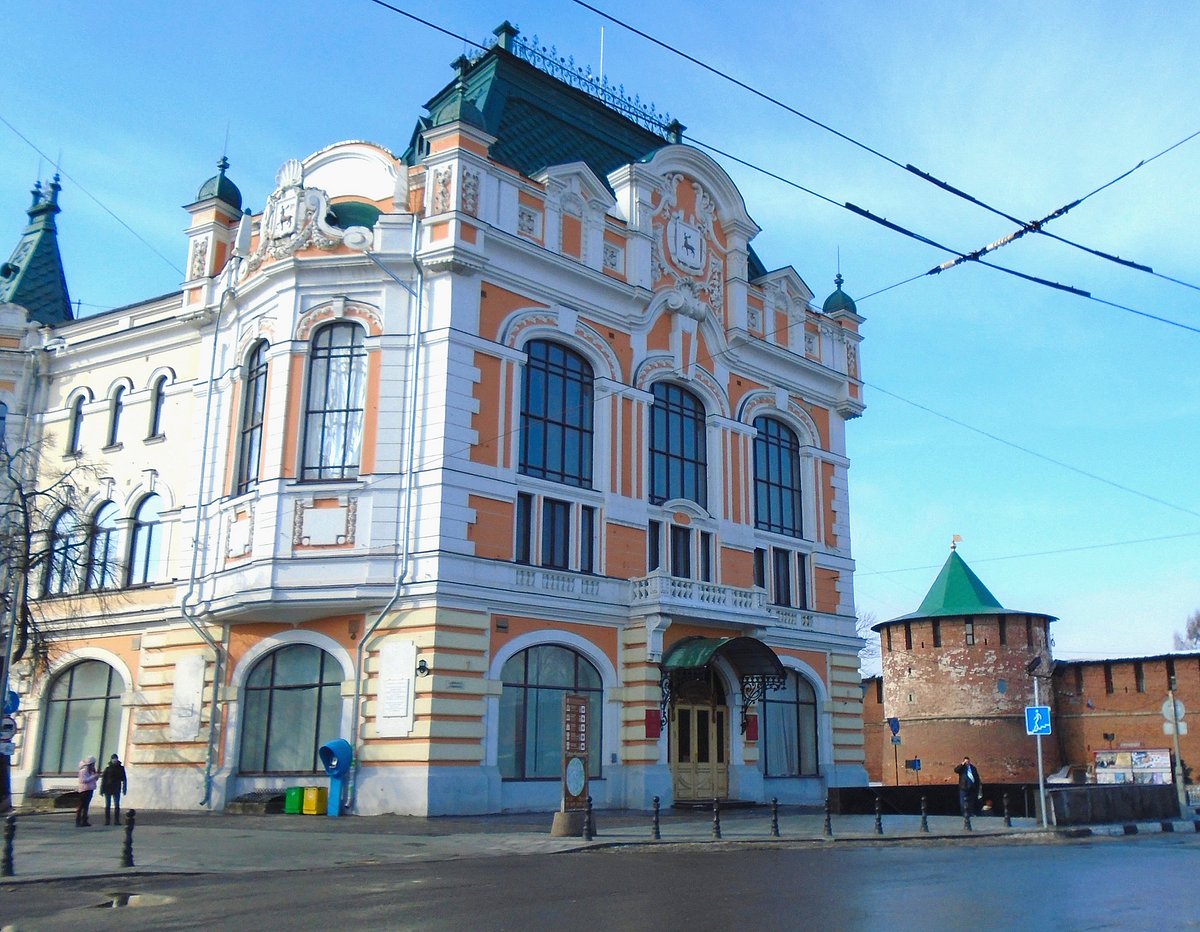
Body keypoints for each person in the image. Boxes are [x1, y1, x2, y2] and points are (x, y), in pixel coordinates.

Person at [101, 753, 128, 826]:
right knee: (108, 805)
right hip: (108, 788)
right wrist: (102, 789)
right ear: (111, 759)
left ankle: (116, 820)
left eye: (115, 758)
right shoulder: (108, 768)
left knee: (117, 805)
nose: (114, 760)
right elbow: (104, 779)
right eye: (113, 758)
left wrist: (124, 788)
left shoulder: (121, 768)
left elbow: (124, 779)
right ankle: (107, 820)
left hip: (116, 788)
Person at [76, 756, 98, 827]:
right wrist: (93, 777)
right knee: (81, 805)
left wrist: (95, 777)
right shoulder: (83, 771)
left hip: (90, 789)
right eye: (93, 764)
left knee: (86, 806)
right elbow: (83, 780)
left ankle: (84, 820)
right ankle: (78, 821)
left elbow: (92, 780)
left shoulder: (91, 771)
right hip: (84, 790)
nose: (93, 766)